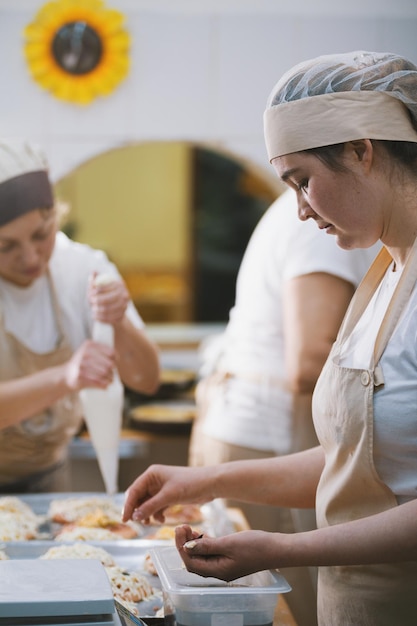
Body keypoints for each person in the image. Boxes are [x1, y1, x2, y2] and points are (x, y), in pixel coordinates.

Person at [123, 50, 417, 625]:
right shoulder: (387, 273)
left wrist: (282, 550)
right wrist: (207, 481)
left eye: (303, 182)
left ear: (362, 150)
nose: (301, 212)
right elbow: (355, 464)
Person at [188, 188, 380, 626]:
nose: (303, 202)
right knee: (295, 610)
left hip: (247, 431)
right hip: (271, 441)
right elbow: (310, 361)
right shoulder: (321, 226)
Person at [0, 138, 160, 493]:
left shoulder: (82, 270)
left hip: (48, 478)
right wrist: (65, 377)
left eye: (41, 235)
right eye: (6, 246)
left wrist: (118, 323)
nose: (29, 258)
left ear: (56, 215)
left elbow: (146, 379)